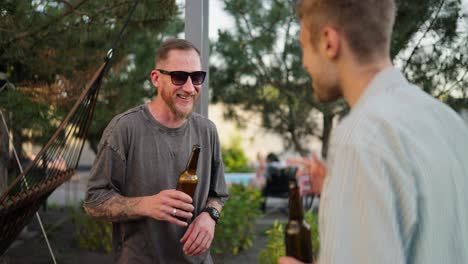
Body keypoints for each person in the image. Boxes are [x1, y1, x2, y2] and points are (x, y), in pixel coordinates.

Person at [280, 0, 468, 263]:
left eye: (303, 47)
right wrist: (339, 186)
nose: (304, 63)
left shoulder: (360, 138)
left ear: (328, 42)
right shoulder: (449, 121)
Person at [84, 38, 228, 263]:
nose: (190, 88)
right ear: (156, 78)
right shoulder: (125, 128)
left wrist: (210, 216)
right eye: (179, 77)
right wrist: (146, 205)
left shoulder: (207, 130)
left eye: (196, 77)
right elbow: (94, 202)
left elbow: (218, 195)